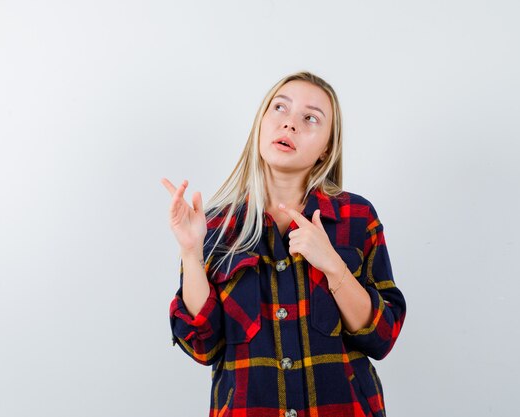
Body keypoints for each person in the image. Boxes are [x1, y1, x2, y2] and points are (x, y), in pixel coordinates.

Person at [160, 71, 407, 417]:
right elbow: (203, 346)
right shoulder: (214, 226)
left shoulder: (357, 217)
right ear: (261, 125)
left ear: (325, 150)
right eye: (280, 108)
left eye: (310, 119)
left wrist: (332, 265)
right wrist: (190, 250)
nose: (289, 124)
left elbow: (382, 336)